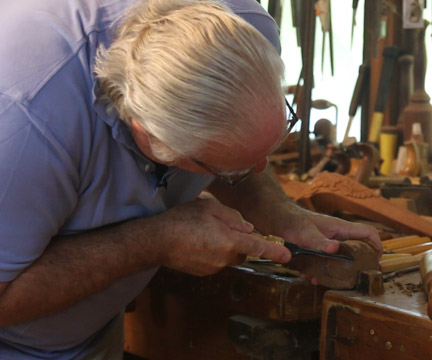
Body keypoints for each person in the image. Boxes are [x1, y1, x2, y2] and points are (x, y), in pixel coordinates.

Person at [0, 0, 382, 358]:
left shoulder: (244, 29)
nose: (262, 169)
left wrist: (280, 212)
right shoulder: (27, 124)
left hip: (90, 330)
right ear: (147, 135)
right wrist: (153, 241)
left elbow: (231, 135)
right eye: (229, 169)